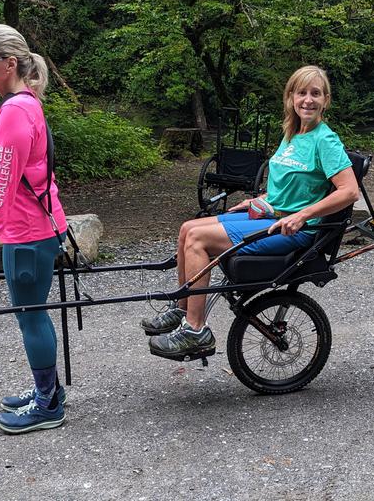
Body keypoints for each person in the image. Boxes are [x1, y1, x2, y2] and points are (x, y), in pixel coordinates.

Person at [142, 65, 360, 359]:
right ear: (290, 98)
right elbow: (290, 184)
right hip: (273, 215)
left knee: (198, 241)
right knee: (187, 229)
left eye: (316, 94)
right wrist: (262, 199)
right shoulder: (292, 134)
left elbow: (349, 191)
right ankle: (182, 309)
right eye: (301, 93)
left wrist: (303, 215)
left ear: (326, 100)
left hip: (293, 230)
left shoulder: (325, 140)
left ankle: (196, 332)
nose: (308, 100)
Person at [0, 24, 68, 433]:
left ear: (8, 64)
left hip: (27, 233)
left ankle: (48, 405)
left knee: (31, 317)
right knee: (33, 316)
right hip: (30, 228)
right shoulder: (18, 105)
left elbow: (4, 182)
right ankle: (47, 390)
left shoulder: (15, 110)